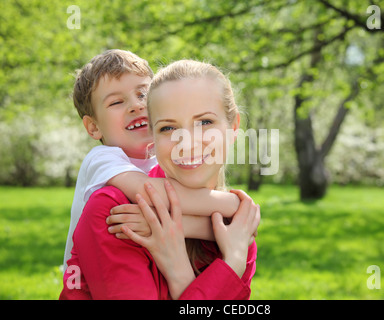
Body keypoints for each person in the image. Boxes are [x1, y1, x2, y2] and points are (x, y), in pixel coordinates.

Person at [60, 59, 259, 300]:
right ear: (152, 134)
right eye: (168, 128)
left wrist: (180, 273)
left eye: (205, 122)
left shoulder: (236, 229)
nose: (188, 141)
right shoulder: (118, 211)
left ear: (234, 127)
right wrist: (232, 263)